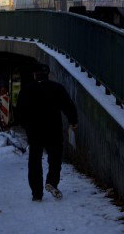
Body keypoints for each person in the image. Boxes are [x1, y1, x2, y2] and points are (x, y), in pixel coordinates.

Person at [16, 64, 78, 201]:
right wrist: (73, 121)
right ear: (48, 74)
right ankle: (51, 181)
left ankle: (36, 194)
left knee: (34, 161)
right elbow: (68, 105)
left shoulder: (27, 90)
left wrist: (26, 126)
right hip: (53, 129)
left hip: (34, 131)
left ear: (34, 75)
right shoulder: (57, 88)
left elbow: (19, 111)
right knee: (55, 159)